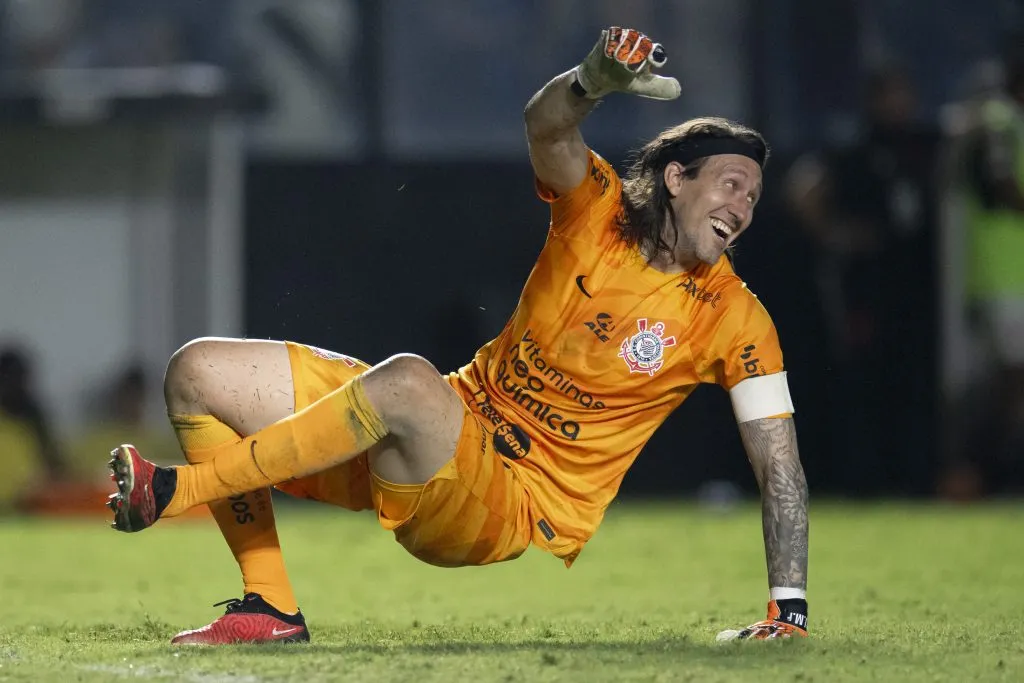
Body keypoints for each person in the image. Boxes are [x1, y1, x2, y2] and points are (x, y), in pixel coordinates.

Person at [107, 27, 809, 645]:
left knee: (407, 383)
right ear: (677, 178)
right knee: (197, 371)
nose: (743, 207)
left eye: (753, 195)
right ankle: (270, 605)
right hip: (445, 423)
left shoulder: (736, 318)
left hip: (505, 501)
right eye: (731, 184)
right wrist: (591, 80)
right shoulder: (597, 211)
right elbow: (546, 128)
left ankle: (178, 490)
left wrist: (789, 608)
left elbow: (779, 465)